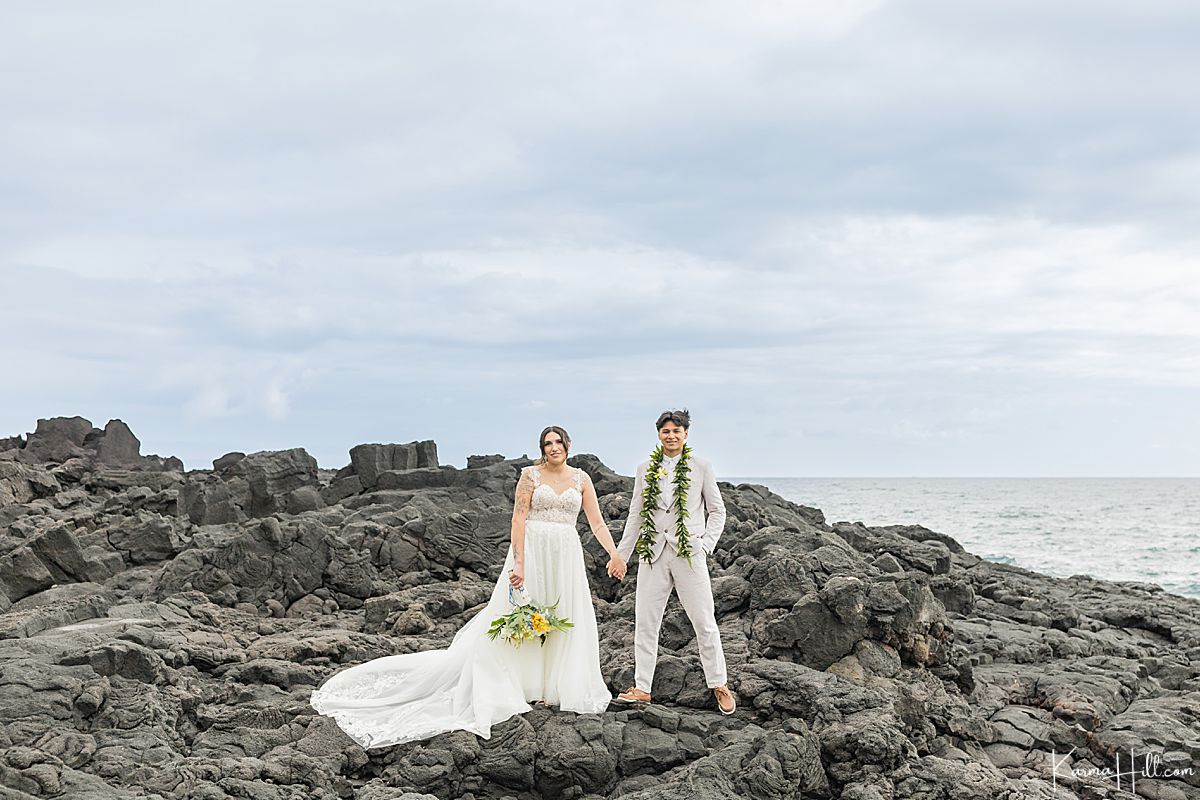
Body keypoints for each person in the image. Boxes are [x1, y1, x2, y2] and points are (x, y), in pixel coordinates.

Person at [309, 426, 621, 748]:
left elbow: (596, 522)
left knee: (563, 616)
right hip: (534, 550)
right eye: (547, 443)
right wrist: (519, 564)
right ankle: (526, 684)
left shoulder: (581, 479)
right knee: (528, 616)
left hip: (565, 554)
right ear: (542, 448)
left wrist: (614, 554)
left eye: (558, 442)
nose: (553, 447)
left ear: (568, 445)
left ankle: (554, 687)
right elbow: (518, 519)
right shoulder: (530, 476)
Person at [607, 409, 736, 715]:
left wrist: (705, 545)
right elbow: (636, 514)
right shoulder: (645, 470)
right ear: (659, 435)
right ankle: (642, 688)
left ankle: (719, 683)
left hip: (689, 554)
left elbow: (717, 511)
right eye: (666, 431)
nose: (671, 435)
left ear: (685, 434)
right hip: (652, 554)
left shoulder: (700, 467)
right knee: (646, 622)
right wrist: (621, 555)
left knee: (704, 620)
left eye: (676, 431)